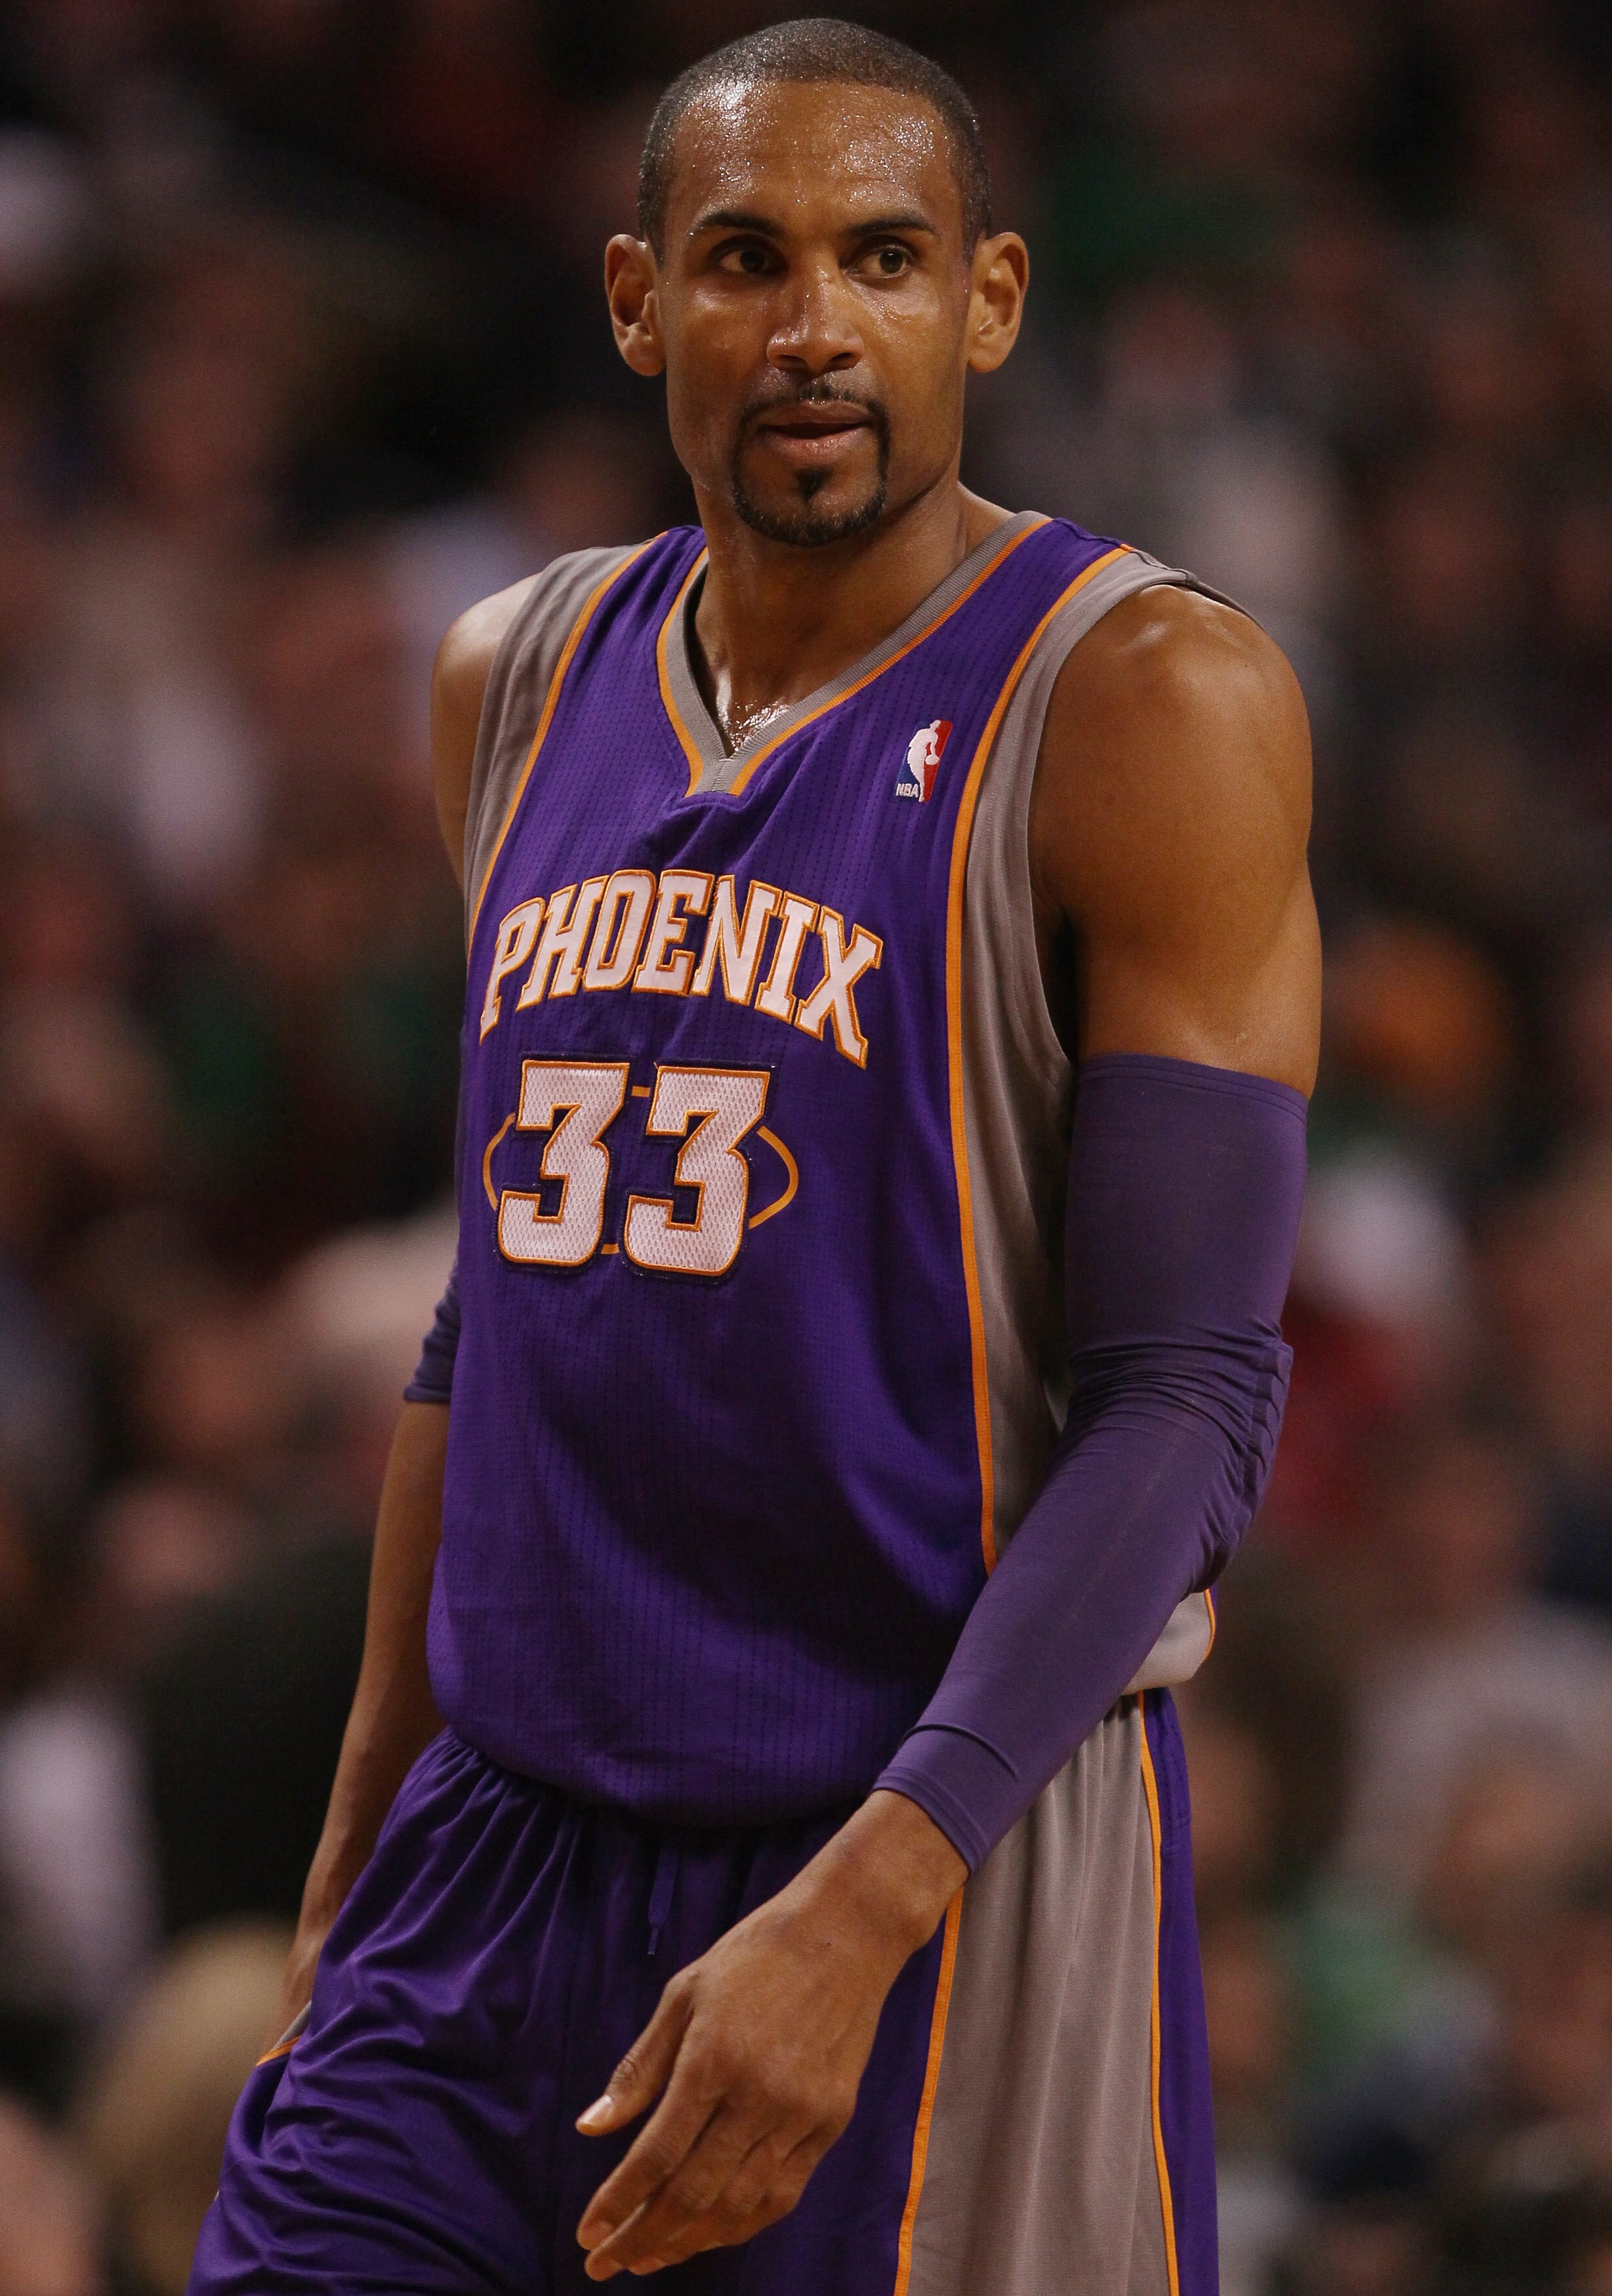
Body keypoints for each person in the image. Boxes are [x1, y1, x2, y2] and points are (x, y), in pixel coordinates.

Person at [188, 20, 1318, 2295]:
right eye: (745, 258)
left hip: (904, 1852)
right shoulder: (510, 676)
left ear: (986, 302)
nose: (813, 326)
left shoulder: (1142, 700)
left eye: (881, 258)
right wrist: (354, 1837)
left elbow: (1189, 1395)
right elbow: (487, 1311)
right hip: (488, 1858)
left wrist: (875, 1891)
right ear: (636, 303)